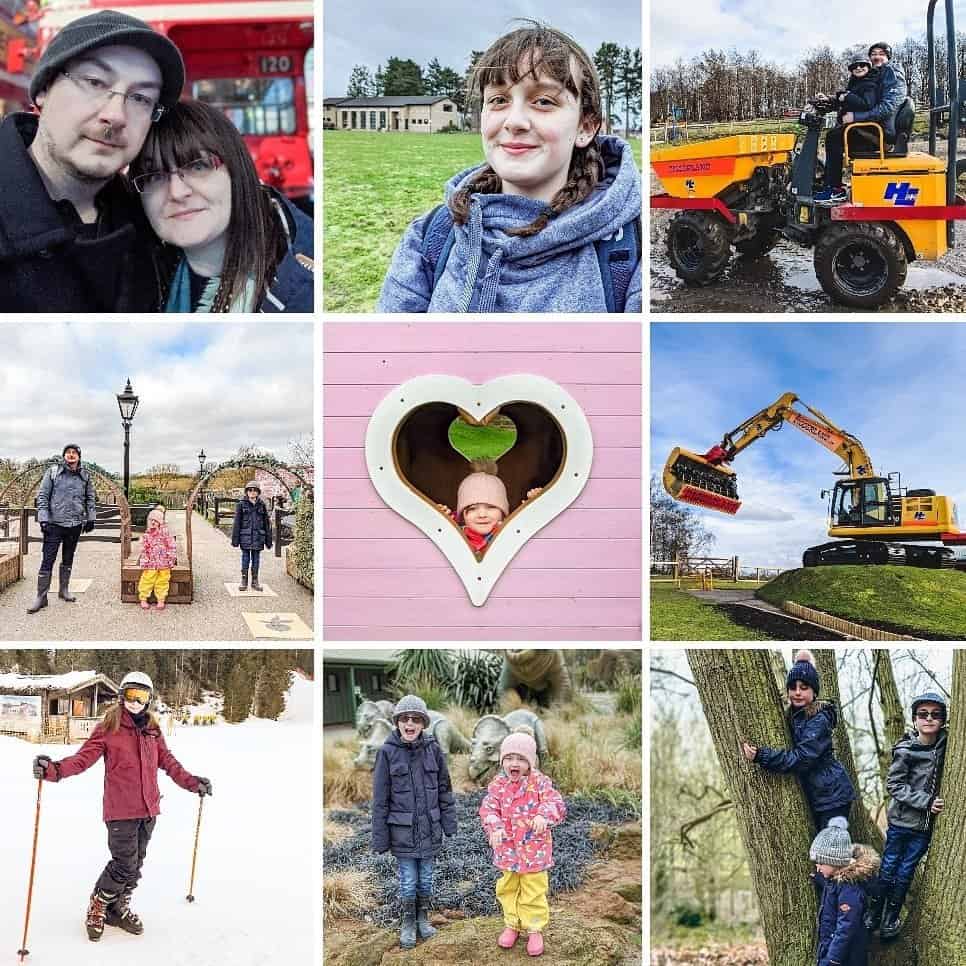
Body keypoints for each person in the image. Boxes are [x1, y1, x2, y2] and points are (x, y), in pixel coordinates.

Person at [376, 22, 641, 313]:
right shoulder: (431, 236)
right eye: (499, 100)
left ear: (586, 126)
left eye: (543, 101)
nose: (514, 121)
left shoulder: (630, 246)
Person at [0, 10, 185, 311]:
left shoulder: (157, 226)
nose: (115, 115)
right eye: (95, 82)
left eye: (140, 98)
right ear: (45, 88)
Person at [31, 671, 211, 941]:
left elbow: (169, 762)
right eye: (130, 695)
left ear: (149, 699)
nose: (135, 702)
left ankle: (117, 908)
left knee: (136, 864)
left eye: (142, 697)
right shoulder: (109, 728)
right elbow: (82, 760)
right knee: (123, 864)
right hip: (120, 811)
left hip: (148, 810)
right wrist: (54, 770)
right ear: (121, 696)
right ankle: (98, 905)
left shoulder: (152, 730)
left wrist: (192, 782)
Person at [129, 99, 314, 312]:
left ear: (238, 170)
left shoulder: (310, 293)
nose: (177, 192)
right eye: (154, 176)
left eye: (198, 166)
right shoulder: (131, 282)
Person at [371, 695, 457, 949]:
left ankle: (422, 919)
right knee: (409, 879)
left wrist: (449, 823)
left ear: (423, 723)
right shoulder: (387, 753)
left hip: (430, 830)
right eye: (405, 719)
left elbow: (444, 789)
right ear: (397, 722)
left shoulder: (433, 749)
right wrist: (380, 838)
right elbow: (380, 800)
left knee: (427, 878)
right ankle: (408, 922)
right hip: (402, 833)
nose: (410, 723)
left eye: (416, 719)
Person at [741, 650, 856, 830]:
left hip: (832, 798)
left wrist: (763, 756)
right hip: (819, 795)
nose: (797, 692)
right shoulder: (795, 716)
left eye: (804, 687)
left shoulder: (819, 720)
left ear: (814, 691)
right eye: (793, 687)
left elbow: (802, 758)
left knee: (830, 851)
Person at [866, 691, 948, 940]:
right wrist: (927, 801)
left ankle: (891, 918)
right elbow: (895, 785)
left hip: (923, 829)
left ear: (943, 720)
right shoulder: (906, 750)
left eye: (935, 714)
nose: (929, 719)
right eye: (923, 714)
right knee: (889, 867)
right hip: (902, 822)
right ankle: (874, 913)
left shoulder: (946, 745)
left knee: (906, 872)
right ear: (914, 720)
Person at [478, 729, 566, 957]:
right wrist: (494, 826)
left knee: (533, 890)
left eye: (520, 759)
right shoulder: (498, 785)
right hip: (507, 851)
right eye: (509, 758)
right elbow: (488, 808)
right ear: (502, 761)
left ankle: (534, 928)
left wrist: (543, 815)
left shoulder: (540, 784)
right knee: (508, 888)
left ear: (530, 762)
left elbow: (555, 803)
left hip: (534, 851)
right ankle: (512, 924)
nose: (514, 763)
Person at [817, 42, 907, 203]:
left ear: (888, 57)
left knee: (833, 137)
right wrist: (832, 100)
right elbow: (855, 98)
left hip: (881, 132)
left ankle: (834, 188)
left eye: (881, 53)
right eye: (874, 53)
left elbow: (885, 107)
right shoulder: (875, 76)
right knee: (836, 136)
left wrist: (855, 118)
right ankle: (831, 182)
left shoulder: (891, 74)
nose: (877, 56)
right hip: (875, 127)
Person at [28, 445, 96, 614]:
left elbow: (90, 497)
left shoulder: (85, 475)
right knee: (47, 559)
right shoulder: (53, 472)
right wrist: (43, 519)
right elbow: (42, 496)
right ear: (64, 456)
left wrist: (91, 518)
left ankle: (63, 590)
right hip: (54, 524)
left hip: (74, 524)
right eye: (68, 452)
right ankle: (41, 597)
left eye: (74, 453)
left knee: (68, 557)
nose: (71, 455)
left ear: (79, 457)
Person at [810, 817, 880, 966]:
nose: (818, 867)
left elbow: (847, 926)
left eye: (821, 863)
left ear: (835, 862)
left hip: (845, 955)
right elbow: (834, 889)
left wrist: (833, 959)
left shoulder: (849, 887)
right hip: (831, 948)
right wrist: (820, 879)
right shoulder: (835, 879)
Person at [438, 466, 543, 555]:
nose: (482, 514)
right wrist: (442, 518)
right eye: (472, 509)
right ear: (462, 516)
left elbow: (529, 526)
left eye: (491, 507)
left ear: (503, 513)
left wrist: (535, 505)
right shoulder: (454, 534)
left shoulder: (511, 531)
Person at [231, 481, 273, 591]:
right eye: (250, 490)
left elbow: (266, 523)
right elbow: (237, 523)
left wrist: (268, 540)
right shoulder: (241, 504)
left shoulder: (262, 505)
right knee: (245, 558)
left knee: (256, 559)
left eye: (255, 490)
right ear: (246, 492)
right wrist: (235, 539)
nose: (252, 492)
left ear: (258, 492)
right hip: (245, 537)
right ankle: (244, 581)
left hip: (258, 537)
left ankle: (255, 581)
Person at [137, 504, 177, 610]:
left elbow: (171, 546)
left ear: (160, 522)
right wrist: (144, 560)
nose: (153, 523)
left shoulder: (165, 534)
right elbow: (144, 549)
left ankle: (161, 599)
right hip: (151, 563)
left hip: (164, 562)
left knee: (163, 581)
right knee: (147, 579)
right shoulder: (147, 535)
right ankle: (143, 598)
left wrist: (171, 557)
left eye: (155, 521)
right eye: (151, 521)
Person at [834, 58, 879, 122]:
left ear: (868, 67)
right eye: (854, 66)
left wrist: (847, 96)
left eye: (862, 65)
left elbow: (867, 104)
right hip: (851, 122)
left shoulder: (870, 83)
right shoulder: (854, 83)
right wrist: (829, 99)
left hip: (863, 124)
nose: (858, 68)